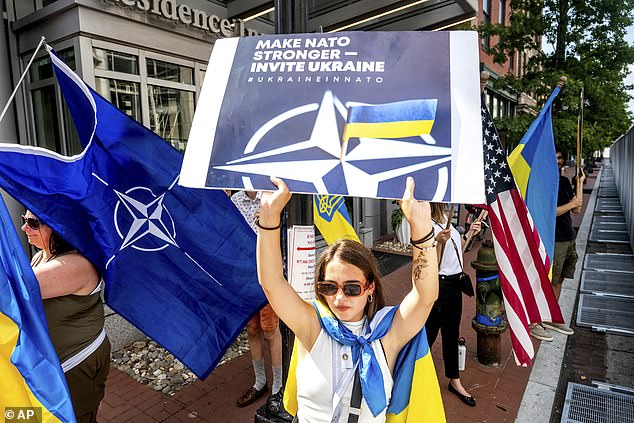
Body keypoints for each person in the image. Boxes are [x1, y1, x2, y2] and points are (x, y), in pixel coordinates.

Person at [257, 176, 439, 422]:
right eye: (329, 287)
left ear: (370, 288)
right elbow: (272, 284)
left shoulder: (387, 333)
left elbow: (425, 296)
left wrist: (421, 229)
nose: (339, 297)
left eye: (352, 288)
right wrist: (268, 220)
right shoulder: (313, 326)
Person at [21, 211, 110, 423]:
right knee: (29, 416)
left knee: (70, 417)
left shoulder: (75, 265)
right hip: (50, 365)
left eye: (33, 223)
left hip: (74, 364)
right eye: (24, 221)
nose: (25, 228)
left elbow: (13, 289)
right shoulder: (41, 255)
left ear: (60, 228)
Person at [231, 190, 284, 407]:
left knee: (270, 330)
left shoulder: (272, 196)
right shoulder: (235, 200)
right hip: (243, 276)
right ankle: (260, 382)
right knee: (252, 329)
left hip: (269, 275)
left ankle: (279, 387)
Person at [426, 203, 479, 407]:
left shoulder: (445, 220)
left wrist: (469, 236)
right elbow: (433, 264)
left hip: (455, 284)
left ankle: (454, 381)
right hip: (439, 285)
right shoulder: (427, 225)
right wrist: (437, 242)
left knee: (451, 334)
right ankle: (416, 378)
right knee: (428, 335)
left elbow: (457, 255)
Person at [531, 148, 583, 340]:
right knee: (548, 279)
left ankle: (550, 316)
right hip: (553, 239)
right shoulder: (543, 184)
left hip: (568, 236)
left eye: (560, 158)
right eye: (554, 158)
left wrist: (579, 184)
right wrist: (572, 204)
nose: (558, 161)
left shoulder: (563, 181)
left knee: (560, 279)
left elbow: (577, 209)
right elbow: (550, 212)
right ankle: (536, 319)